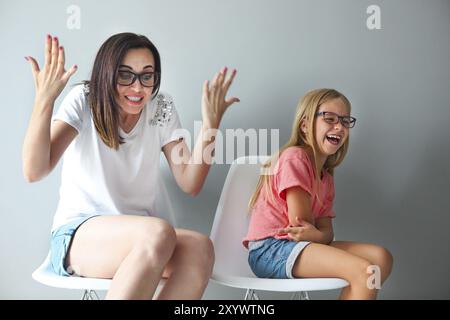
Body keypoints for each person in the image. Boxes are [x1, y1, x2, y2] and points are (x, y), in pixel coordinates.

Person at [23, 32, 239, 299]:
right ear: (107, 74)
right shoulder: (84, 100)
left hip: (150, 240)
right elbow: (34, 170)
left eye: (147, 76)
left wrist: (211, 125)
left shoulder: (162, 107)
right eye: (125, 75)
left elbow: (189, 182)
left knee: (201, 249)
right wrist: (44, 100)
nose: (138, 88)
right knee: (158, 232)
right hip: (78, 237)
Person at [243, 89, 393, 299]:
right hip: (271, 250)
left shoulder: (326, 177)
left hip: (300, 245)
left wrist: (320, 234)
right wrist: (320, 234)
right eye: (329, 118)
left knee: (380, 258)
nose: (339, 126)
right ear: (305, 125)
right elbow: (301, 226)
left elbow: (324, 232)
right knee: (365, 271)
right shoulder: (294, 158)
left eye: (345, 121)